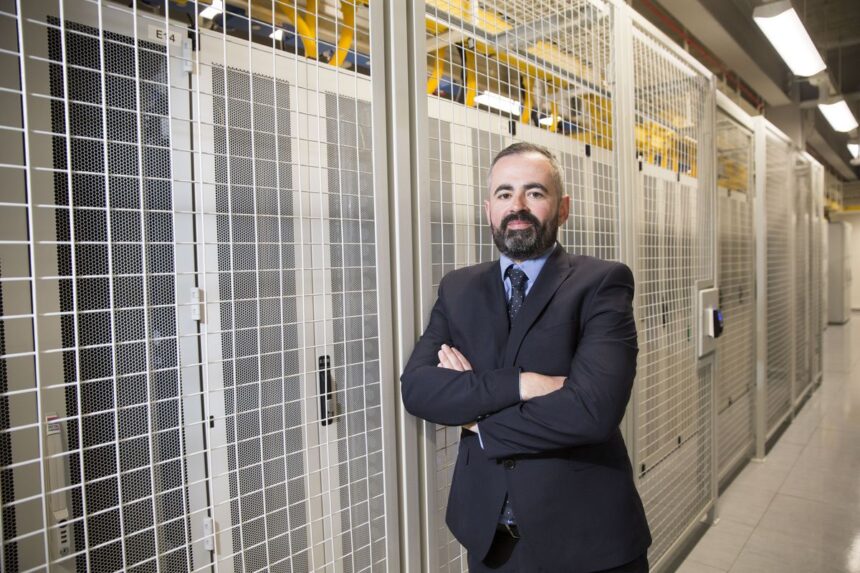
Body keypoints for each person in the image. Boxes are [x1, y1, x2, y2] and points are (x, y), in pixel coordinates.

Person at [401, 142, 652, 572]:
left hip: (587, 542)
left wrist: (477, 419)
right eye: (504, 194)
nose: (517, 206)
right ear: (488, 209)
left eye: (534, 192)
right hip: (491, 543)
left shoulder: (601, 283)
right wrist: (521, 384)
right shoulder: (459, 289)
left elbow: (593, 410)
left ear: (563, 207)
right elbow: (418, 389)